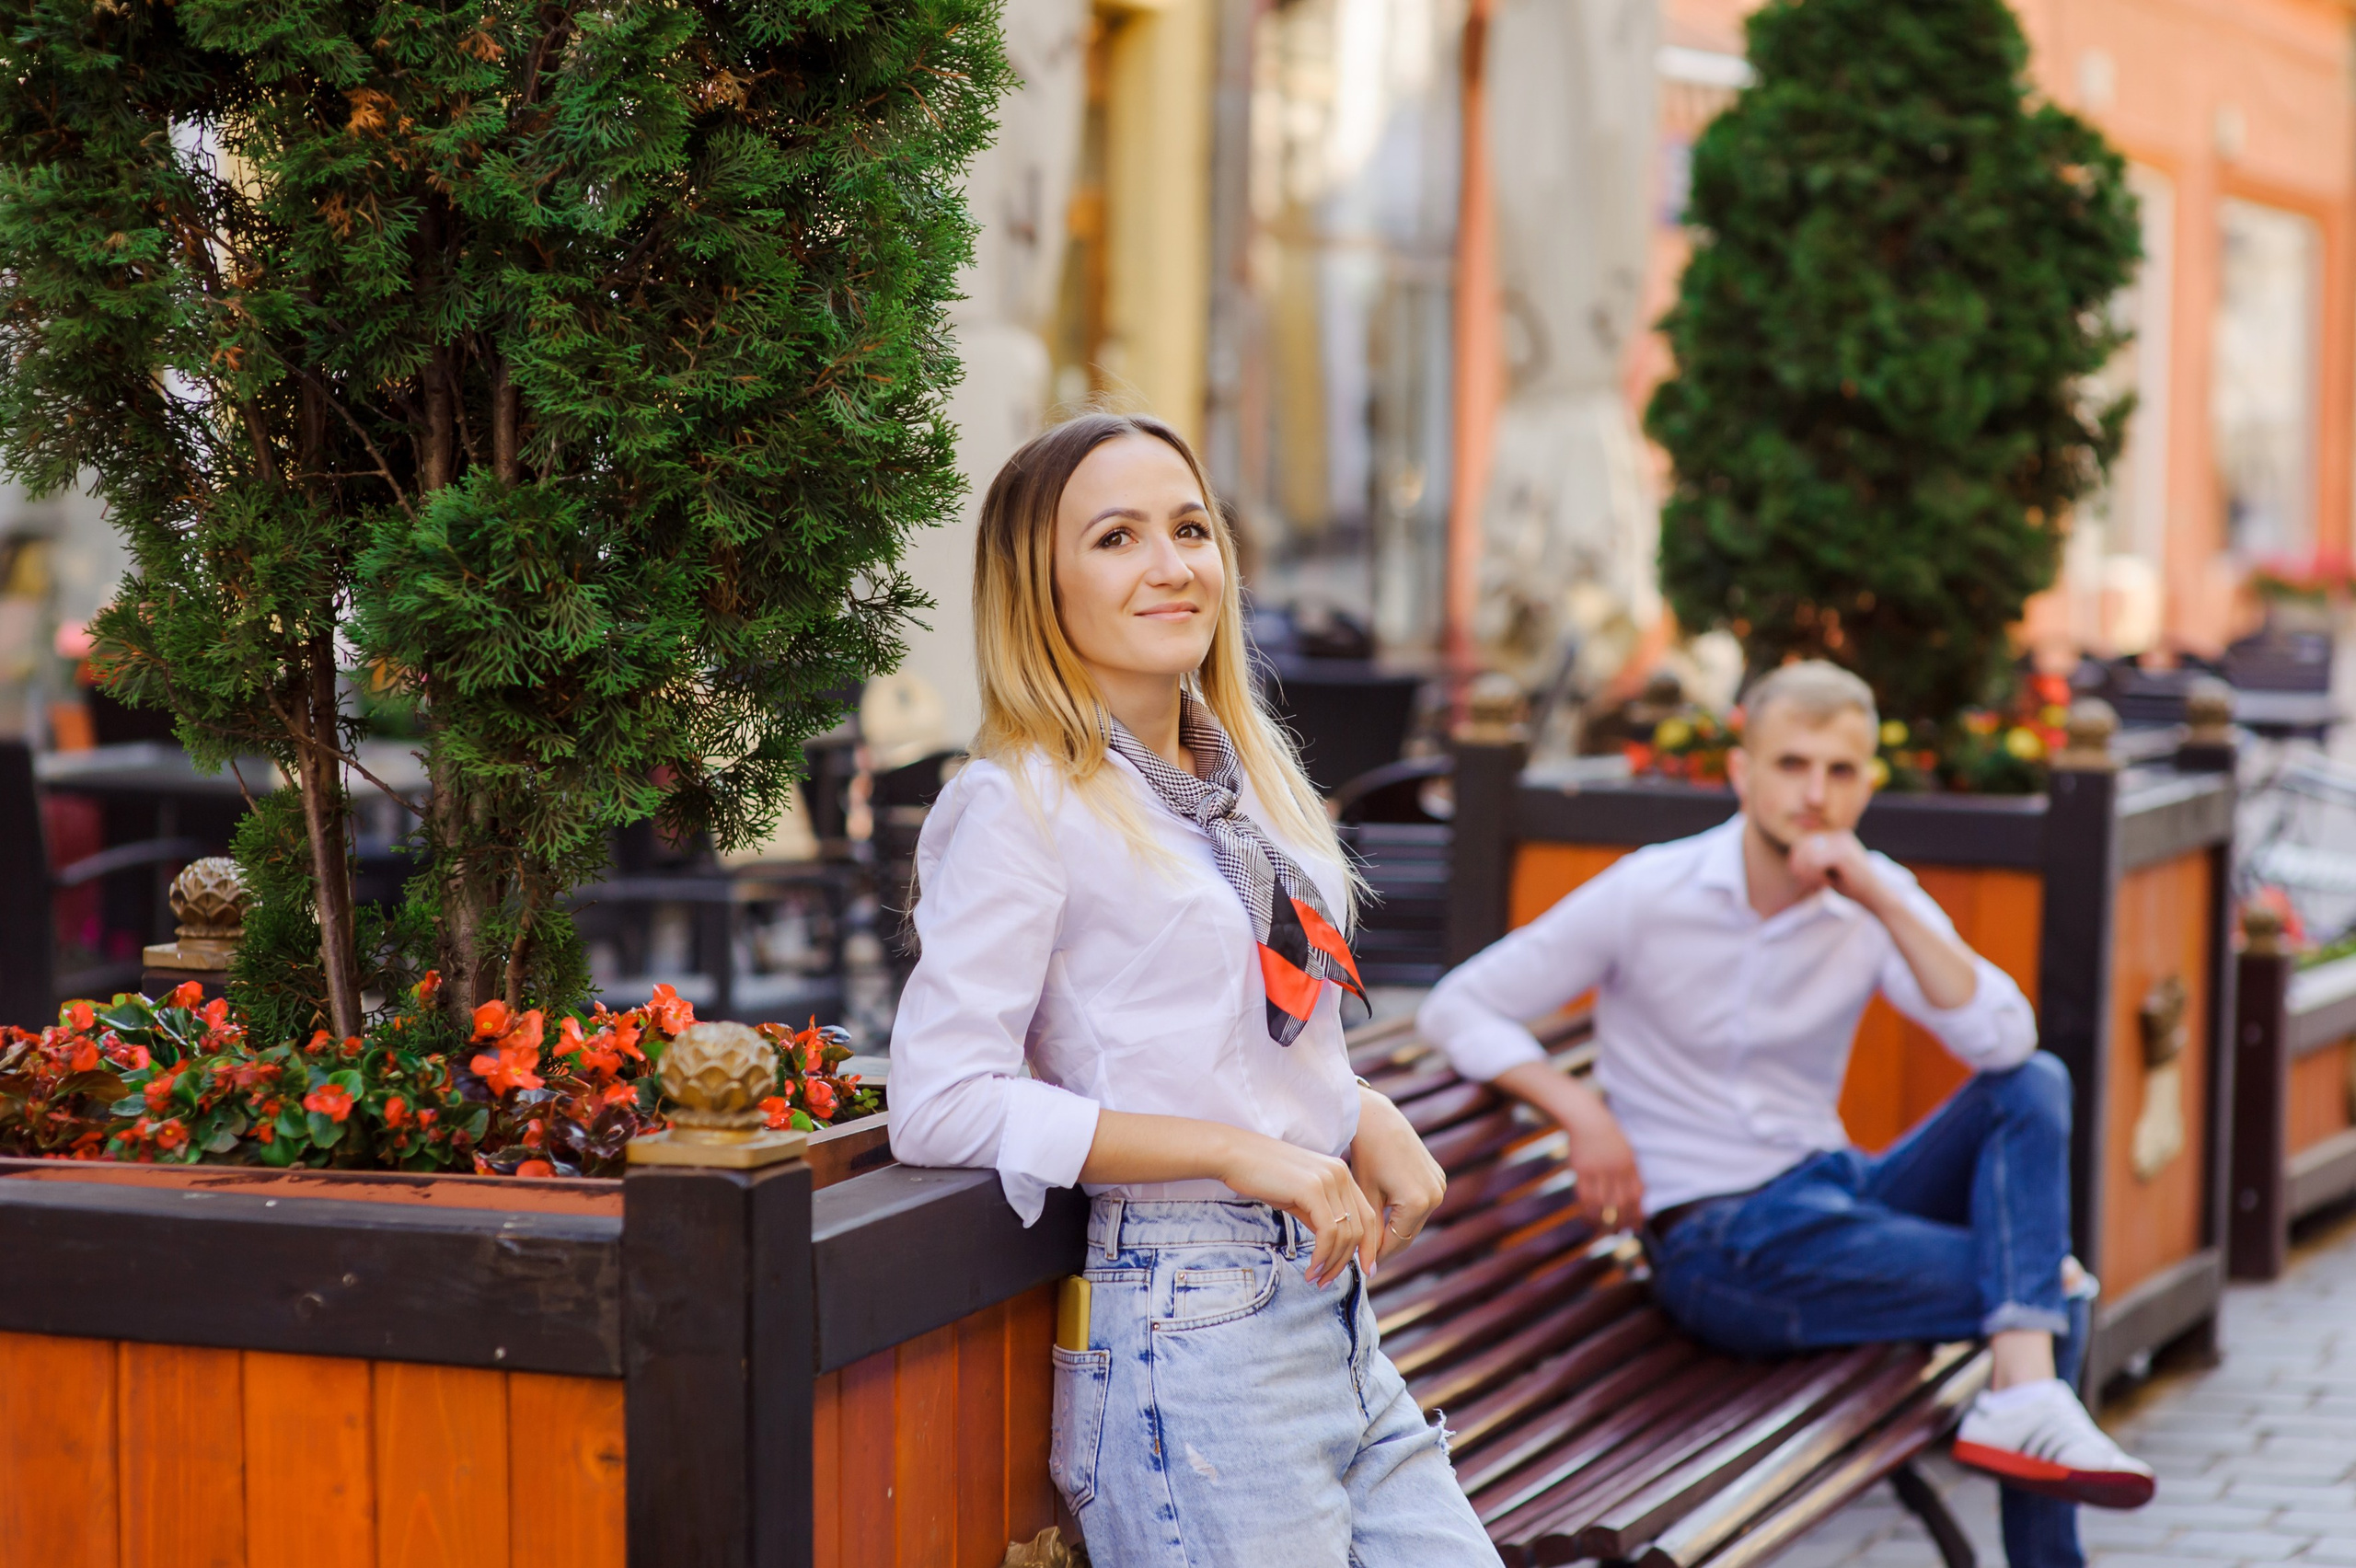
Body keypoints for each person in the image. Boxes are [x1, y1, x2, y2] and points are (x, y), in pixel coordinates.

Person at [887, 412, 1503, 1568]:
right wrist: (1235, 1153)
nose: (1172, 565)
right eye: (1116, 538)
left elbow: (1221, 1028)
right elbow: (940, 1101)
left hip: (1327, 1306)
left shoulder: (1244, 781)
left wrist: (1355, 1109)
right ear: (1039, 587)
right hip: (1187, 1318)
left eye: (1190, 528)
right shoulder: (1020, 804)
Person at [1416, 660, 2154, 1568]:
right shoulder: (1651, 892)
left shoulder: (1869, 899)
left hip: (1831, 1193)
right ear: (1742, 772)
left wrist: (1879, 897)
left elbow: (2003, 1039)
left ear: (1867, 784)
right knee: (2046, 1290)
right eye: (1791, 764)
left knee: (2032, 1083)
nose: (1814, 794)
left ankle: (2022, 1398)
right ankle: (2030, 1419)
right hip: (1718, 1243)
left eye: (1840, 771)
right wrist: (1580, 1110)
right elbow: (1458, 1006)